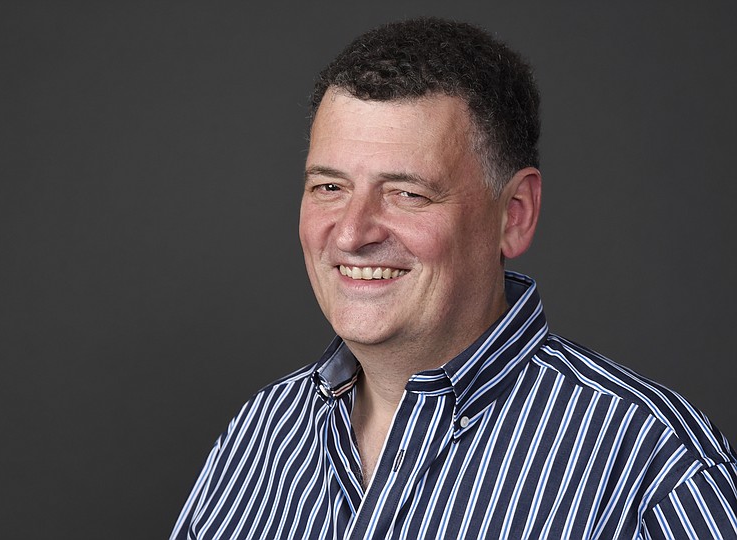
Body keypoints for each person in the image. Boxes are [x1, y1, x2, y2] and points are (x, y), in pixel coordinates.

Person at [170, 17, 737, 539]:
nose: (350, 234)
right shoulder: (258, 436)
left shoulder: (653, 468)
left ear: (513, 214)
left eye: (407, 194)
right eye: (329, 187)